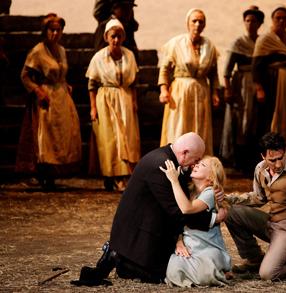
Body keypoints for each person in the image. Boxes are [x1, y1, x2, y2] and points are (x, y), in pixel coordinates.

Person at [72, 132, 227, 286]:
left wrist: (213, 192)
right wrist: (213, 219)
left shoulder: (169, 159)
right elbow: (178, 211)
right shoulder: (162, 164)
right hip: (139, 232)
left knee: (169, 268)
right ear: (185, 153)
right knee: (160, 275)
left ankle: (125, 261)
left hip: (149, 226)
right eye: (196, 159)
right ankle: (118, 256)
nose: (195, 163)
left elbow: (187, 189)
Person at [224, 132, 286, 280]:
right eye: (272, 160)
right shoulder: (260, 169)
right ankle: (254, 260)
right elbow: (258, 198)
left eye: (280, 158)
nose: (278, 164)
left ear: (285, 150)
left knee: (268, 274)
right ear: (263, 156)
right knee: (230, 212)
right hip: (271, 222)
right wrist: (228, 199)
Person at [15, 13, 81, 190]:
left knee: (62, 136)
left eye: (58, 30)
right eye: (52, 30)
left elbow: (61, 72)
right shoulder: (38, 51)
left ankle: (55, 173)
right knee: (47, 136)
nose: (55, 33)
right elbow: (25, 76)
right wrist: (38, 90)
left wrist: (66, 84)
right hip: (47, 96)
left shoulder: (61, 50)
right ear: (45, 31)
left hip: (61, 96)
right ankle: (43, 173)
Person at [159, 156, 231, 287]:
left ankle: (217, 270)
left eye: (202, 165)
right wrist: (179, 240)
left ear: (210, 178)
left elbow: (187, 208)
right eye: (197, 163)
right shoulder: (190, 191)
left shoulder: (209, 192)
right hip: (191, 246)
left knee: (206, 270)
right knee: (173, 270)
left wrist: (174, 181)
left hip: (208, 247)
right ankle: (210, 271)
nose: (196, 165)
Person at [86, 18, 140, 191]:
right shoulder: (99, 57)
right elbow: (92, 84)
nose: (116, 40)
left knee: (126, 138)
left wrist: (133, 101)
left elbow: (133, 83)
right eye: (113, 36)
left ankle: (125, 175)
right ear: (107, 37)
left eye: (119, 36)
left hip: (124, 97)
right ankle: (111, 175)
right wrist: (93, 107)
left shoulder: (129, 56)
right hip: (106, 100)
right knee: (110, 140)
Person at [158, 8, 220, 155]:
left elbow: (214, 74)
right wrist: (163, 89)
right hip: (180, 91)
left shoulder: (209, 46)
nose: (197, 24)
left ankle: (198, 162)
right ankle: (177, 159)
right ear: (188, 23)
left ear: (204, 25)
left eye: (201, 21)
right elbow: (165, 69)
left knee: (200, 127)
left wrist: (215, 93)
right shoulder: (176, 43)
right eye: (194, 21)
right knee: (179, 125)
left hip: (201, 92)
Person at [220, 5, 264, 173]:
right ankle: (240, 160)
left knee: (255, 121)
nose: (250, 24)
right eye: (247, 20)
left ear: (260, 23)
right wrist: (228, 89)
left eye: (254, 21)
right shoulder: (239, 43)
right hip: (242, 85)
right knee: (241, 121)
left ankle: (255, 159)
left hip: (258, 83)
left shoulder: (263, 42)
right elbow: (227, 69)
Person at [252, 5, 286, 146]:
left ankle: (283, 149)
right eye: (278, 18)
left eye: (284, 18)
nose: (281, 21)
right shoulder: (265, 39)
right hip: (272, 81)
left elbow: (282, 60)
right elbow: (256, 65)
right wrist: (259, 88)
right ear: (272, 19)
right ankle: (271, 151)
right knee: (273, 115)